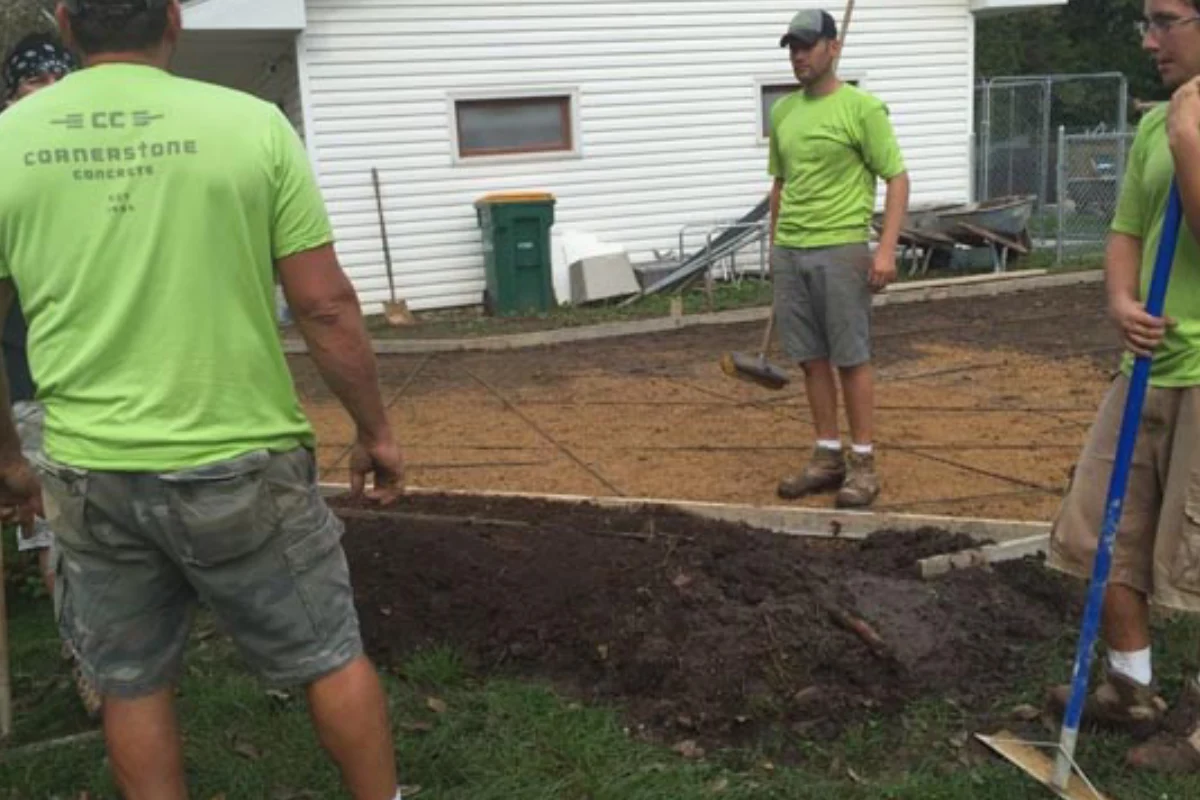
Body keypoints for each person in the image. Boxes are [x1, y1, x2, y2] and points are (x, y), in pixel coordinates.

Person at [0, 1, 406, 798]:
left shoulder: (7, 142)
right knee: (328, 653)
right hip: (242, 460)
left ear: (65, 23)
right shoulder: (251, 126)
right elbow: (325, 306)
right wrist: (375, 431)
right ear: (174, 20)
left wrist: (11, 459)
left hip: (92, 470)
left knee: (132, 680)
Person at [1045, 0, 1200, 774]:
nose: (1148, 39)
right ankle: (1131, 687)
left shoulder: (1180, 127)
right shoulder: (1153, 125)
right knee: (1094, 533)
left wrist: (1191, 144)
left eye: (1165, 19)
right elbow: (1126, 233)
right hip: (1146, 366)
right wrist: (1118, 301)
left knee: (1197, 559)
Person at [768, 9, 910, 509]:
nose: (798, 56)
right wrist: (774, 248)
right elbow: (780, 184)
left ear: (834, 47)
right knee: (810, 358)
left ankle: (864, 464)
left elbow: (896, 178)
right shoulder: (783, 112)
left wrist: (887, 248)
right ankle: (827, 456)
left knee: (851, 358)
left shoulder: (863, 109)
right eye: (792, 48)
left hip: (842, 247)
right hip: (791, 250)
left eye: (807, 46)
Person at [0, 29, 101, 720]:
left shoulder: (98, 168)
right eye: (30, 87)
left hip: (103, 377)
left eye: (56, 85)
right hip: (30, 380)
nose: (42, 99)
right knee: (55, 532)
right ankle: (88, 665)